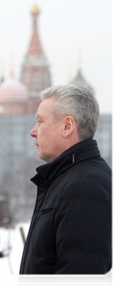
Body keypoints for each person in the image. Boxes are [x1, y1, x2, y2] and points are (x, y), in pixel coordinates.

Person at [18, 84, 116, 285]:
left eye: (40, 122)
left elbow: (81, 275)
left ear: (67, 126)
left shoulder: (85, 187)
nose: (33, 132)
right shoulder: (67, 180)